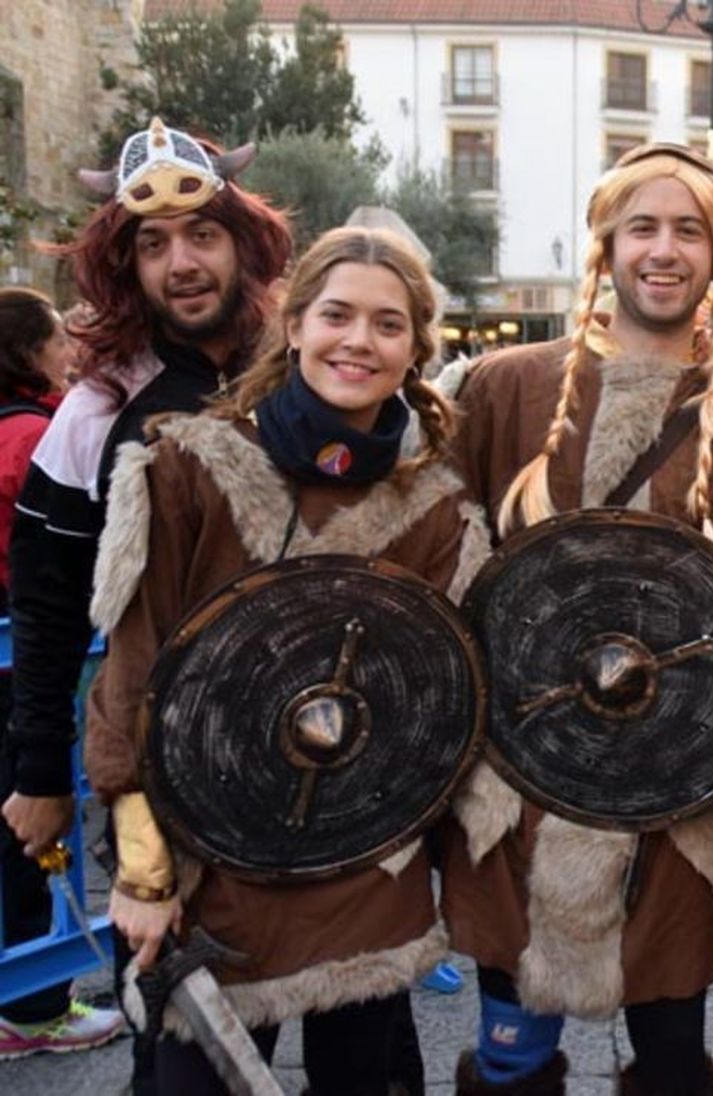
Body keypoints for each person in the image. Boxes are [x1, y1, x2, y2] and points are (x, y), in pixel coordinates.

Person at [85, 226, 484, 1094]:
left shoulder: (434, 508)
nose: (359, 341)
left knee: (364, 1076)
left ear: (417, 348)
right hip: (208, 855)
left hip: (362, 852)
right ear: (294, 325)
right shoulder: (188, 464)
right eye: (336, 315)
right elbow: (133, 671)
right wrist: (147, 871)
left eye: (388, 325)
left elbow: (438, 696)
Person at [441, 143, 713, 1096]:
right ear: (607, 244)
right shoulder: (502, 386)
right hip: (518, 777)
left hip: (675, 790)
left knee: (675, 1051)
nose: (665, 250)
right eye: (644, 226)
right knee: (512, 1056)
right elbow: (442, 554)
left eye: (690, 230)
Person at [1, 119, 294, 1090]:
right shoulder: (92, 410)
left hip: (317, 759)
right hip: (164, 779)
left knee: (319, 1023)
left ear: (241, 242)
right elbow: (43, 610)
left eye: (201, 234)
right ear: (124, 264)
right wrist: (39, 771)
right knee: (180, 1044)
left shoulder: (307, 377)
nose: (182, 263)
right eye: (154, 244)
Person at [0, 288, 125, 1060]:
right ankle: (33, 1005)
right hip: (26, 657)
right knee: (27, 821)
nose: (68, 348)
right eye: (56, 336)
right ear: (27, 352)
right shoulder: (36, 437)